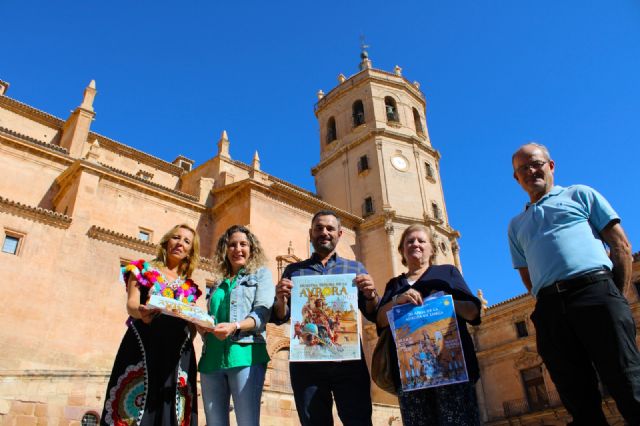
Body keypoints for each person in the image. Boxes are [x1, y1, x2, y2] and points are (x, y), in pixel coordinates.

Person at [508, 143, 640, 425]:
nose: (531, 171)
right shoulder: (516, 225)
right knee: (576, 399)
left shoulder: (580, 194)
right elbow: (527, 275)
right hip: (550, 309)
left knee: (629, 384)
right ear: (516, 178)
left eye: (536, 163)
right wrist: (547, 300)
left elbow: (620, 245)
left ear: (551, 166)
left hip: (596, 291)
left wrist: (615, 295)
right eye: (523, 169)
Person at [271, 210, 378, 426]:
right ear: (311, 234)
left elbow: (372, 313)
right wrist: (280, 298)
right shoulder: (294, 270)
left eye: (330, 228)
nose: (324, 233)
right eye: (319, 228)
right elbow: (281, 317)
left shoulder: (354, 268)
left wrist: (371, 294)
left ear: (339, 234)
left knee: (358, 420)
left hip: (348, 362)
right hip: (307, 366)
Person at [376, 223, 481, 426]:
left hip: (453, 374)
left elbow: (473, 312)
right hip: (411, 378)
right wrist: (398, 300)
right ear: (402, 250)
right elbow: (380, 320)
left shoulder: (447, 273)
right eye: (410, 241)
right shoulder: (395, 285)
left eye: (421, 240)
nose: (415, 244)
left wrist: (444, 303)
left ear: (431, 249)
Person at [101, 224, 202, 425]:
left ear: (190, 252)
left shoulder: (189, 287)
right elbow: (131, 304)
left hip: (178, 354)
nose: (180, 243)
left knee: (171, 409)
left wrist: (198, 325)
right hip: (143, 345)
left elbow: (192, 323)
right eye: (176, 237)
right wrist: (142, 313)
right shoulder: (141, 269)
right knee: (135, 406)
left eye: (186, 241)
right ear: (166, 241)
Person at [197, 225, 275, 426]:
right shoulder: (218, 283)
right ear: (225, 249)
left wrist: (235, 326)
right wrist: (202, 325)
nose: (237, 249)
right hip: (211, 359)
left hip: (245, 356)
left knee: (247, 422)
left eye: (243, 244)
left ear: (252, 248)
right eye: (232, 245)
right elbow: (213, 317)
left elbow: (262, 313)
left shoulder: (261, 275)